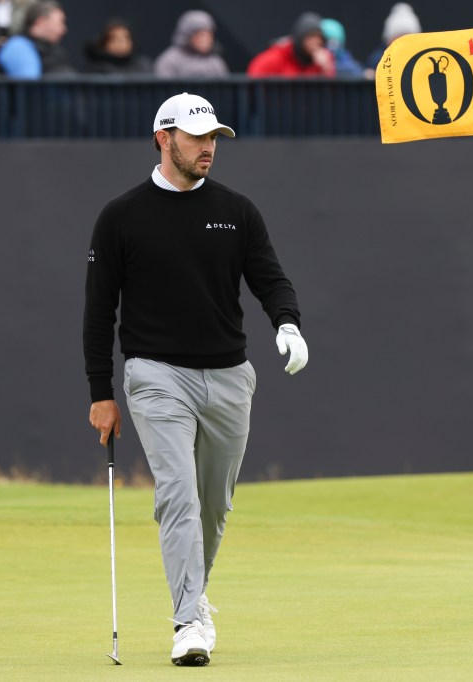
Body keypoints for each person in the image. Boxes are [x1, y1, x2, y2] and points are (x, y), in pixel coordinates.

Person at [84, 91, 308, 666]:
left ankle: (194, 596)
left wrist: (287, 324)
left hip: (231, 376)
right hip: (155, 375)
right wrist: (101, 394)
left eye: (214, 138)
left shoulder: (236, 209)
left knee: (215, 503)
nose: (209, 148)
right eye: (197, 137)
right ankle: (188, 622)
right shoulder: (121, 215)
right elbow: (98, 311)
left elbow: (271, 279)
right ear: (164, 138)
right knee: (178, 494)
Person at [0, 0, 73, 77]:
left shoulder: (56, 51)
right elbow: (28, 84)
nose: (63, 29)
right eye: (60, 23)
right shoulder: (18, 47)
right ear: (40, 22)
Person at [247, 12, 335, 77]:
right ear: (300, 37)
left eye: (320, 38)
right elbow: (254, 79)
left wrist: (326, 69)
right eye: (311, 36)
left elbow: (332, 94)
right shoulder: (276, 57)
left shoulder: (323, 60)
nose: (317, 41)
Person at [154, 10, 228, 78]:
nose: (206, 40)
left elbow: (225, 90)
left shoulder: (215, 63)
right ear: (187, 35)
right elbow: (165, 90)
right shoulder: (169, 61)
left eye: (210, 35)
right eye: (201, 35)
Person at [364, 3, 421, 79]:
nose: (403, 42)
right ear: (388, 39)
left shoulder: (422, 59)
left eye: (407, 37)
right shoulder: (377, 60)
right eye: (398, 37)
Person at [84, 18, 152, 75]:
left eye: (125, 38)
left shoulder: (143, 66)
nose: (120, 42)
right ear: (104, 44)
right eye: (114, 39)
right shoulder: (97, 70)